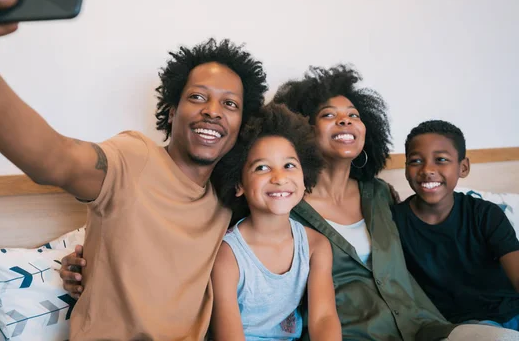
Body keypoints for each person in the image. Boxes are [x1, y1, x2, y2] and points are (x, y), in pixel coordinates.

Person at [0, 0, 268, 340]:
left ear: (242, 124)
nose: (213, 110)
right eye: (197, 96)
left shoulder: (230, 193)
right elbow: (54, 159)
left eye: (230, 104)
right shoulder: (134, 157)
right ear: (171, 111)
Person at [272, 66, 518, 340]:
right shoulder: (284, 205)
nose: (345, 121)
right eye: (329, 115)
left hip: (425, 328)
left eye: (353, 115)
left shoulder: (380, 194)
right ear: (301, 129)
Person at [209, 103, 340, 340]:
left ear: (304, 176)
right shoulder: (227, 256)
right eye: (262, 168)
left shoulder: (316, 246)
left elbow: (323, 318)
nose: (279, 178)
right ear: (239, 184)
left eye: (289, 165)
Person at [390, 120, 519, 330]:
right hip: (460, 326)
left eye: (441, 159)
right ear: (405, 169)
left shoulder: (485, 214)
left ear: (463, 167)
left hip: (512, 312)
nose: (427, 169)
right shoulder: (394, 221)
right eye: (415, 161)